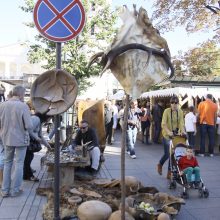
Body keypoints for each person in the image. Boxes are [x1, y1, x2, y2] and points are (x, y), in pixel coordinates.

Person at [0, 85, 32, 197]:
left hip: (6, 138)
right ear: (20, 94)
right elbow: (29, 125)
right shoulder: (23, 106)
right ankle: (15, 190)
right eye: (24, 94)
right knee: (19, 164)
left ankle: (4, 190)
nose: (24, 96)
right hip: (20, 139)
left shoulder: (2, 105)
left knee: (7, 163)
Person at [157, 96, 185, 179]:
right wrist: (169, 132)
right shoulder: (166, 111)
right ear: (170, 103)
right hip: (167, 134)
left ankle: (169, 172)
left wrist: (183, 131)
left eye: (176, 102)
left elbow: (181, 123)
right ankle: (160, 164)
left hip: (175, 136)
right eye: (172, 102)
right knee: (167, 154)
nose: (174, 104)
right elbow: (163, 123)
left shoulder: (180, 112)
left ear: (178, 104)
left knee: (173, 154)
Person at [23, 114, 51, 181]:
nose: (50, 120)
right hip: (27, 141)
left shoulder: (40, 121)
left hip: (30, 141)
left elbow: (40, 134)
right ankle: (29, 175)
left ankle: (26, 174)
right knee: (28, 158)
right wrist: (36, 138)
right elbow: (29, 130)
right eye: (50, 117)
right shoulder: (36, 119)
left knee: (29, 157)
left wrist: (47, 145)